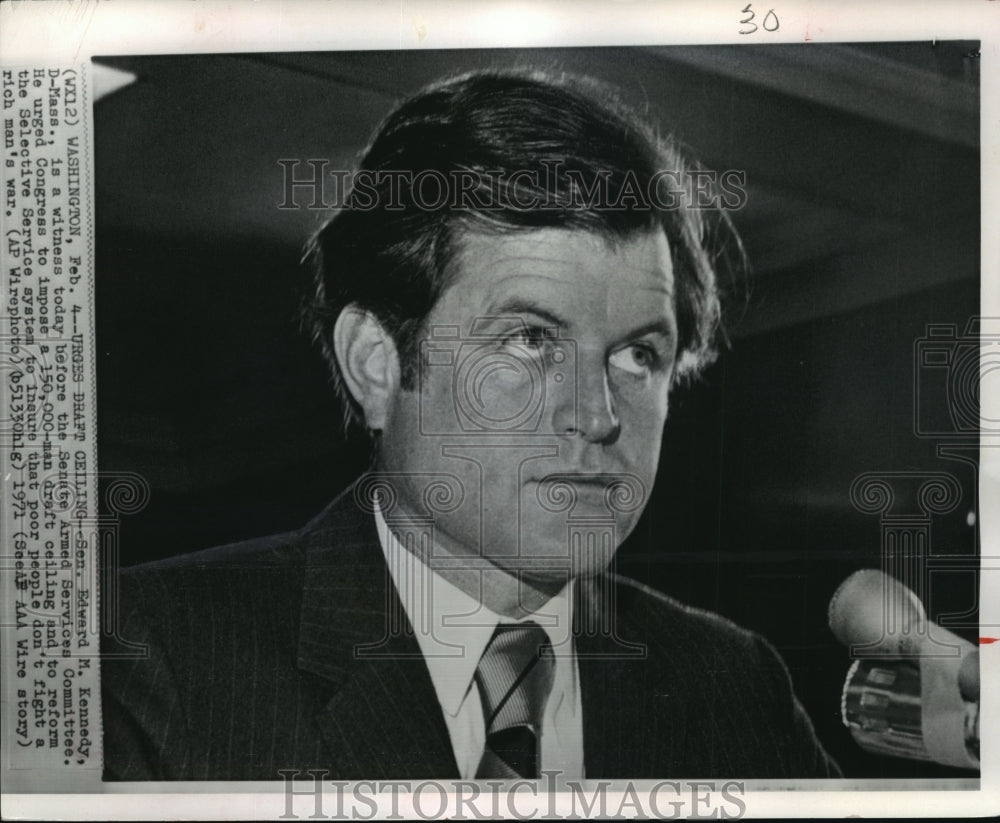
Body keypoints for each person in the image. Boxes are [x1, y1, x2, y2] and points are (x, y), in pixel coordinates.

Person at [101, 68, 840, 781]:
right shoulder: (147, 658)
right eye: (530, 339)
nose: (598, 414)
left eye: (637, 354)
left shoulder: (735, 686)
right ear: (377, 364)